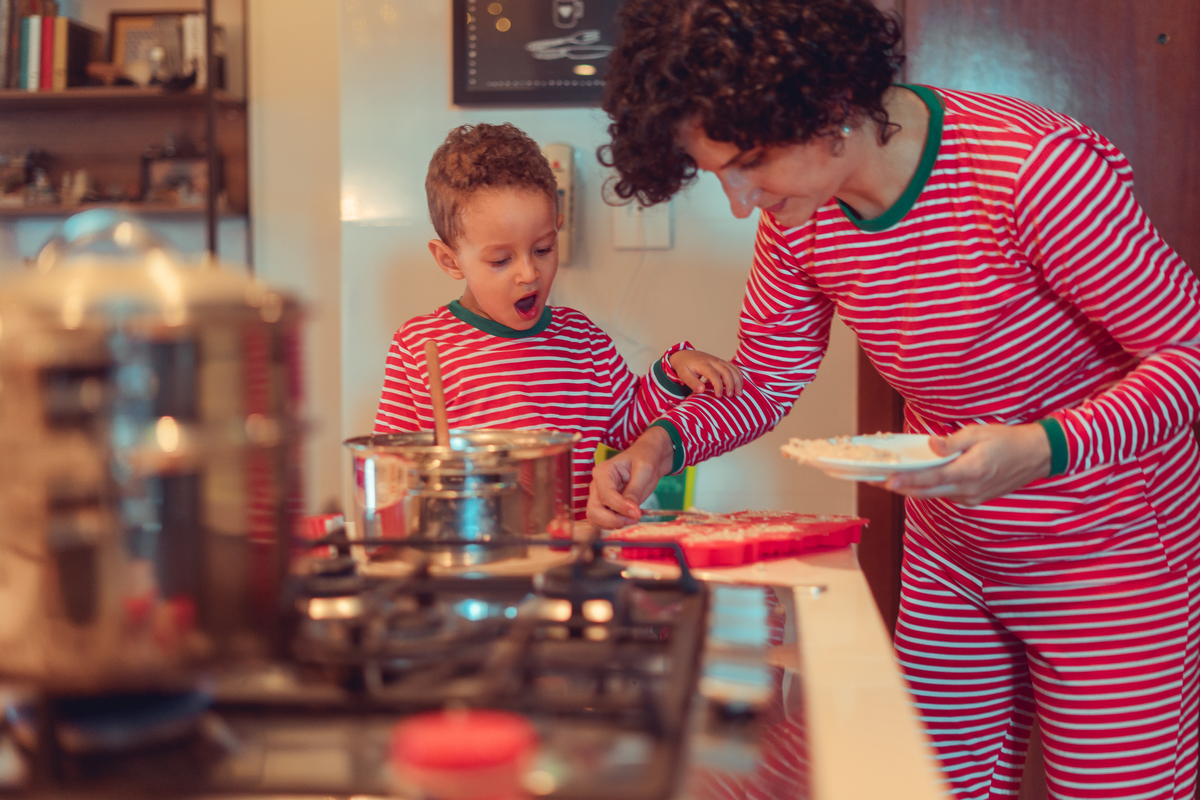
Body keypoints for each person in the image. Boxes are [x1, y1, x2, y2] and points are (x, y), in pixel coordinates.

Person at [587, 1, 1200, 798]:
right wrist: (660, 445)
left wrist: (1043, 446)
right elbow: (766, 379)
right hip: (954, 548)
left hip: (1108, 551)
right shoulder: (799, 220)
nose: (741, 202)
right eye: (719, 174)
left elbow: (1186, 350)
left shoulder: (1033, 170)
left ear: (830, 104)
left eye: (753, 163)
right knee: (917, 782)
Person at [372, 122, 742, 518]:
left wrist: (675, 370)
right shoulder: (418, 345)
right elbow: (389, 473)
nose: (529, 273)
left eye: (543, 249)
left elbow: (629, 424)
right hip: (474, 556)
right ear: (450, 260)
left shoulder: (582, 340)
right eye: (501, 260)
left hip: (574, 554)